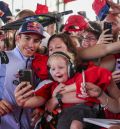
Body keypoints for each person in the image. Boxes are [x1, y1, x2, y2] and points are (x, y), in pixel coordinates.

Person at [15, 51, 120, 129]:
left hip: (83, 111)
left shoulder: (78, 77)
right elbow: (38, 99)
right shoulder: (51, 85)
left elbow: (101, 73)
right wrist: (23, 100)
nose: (56, 71)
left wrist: (71, 87)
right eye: (52, 69)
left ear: (71, 68)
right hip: (61, 117)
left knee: (74, 124)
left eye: (61, 67)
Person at [0, 20, 45, 129]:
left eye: (36, 40)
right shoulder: (3, 57)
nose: (31, 44)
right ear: (18, 38)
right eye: (27, 38)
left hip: (29, 124)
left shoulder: (41, 62)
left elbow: (45, 89)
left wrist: (41, 107)